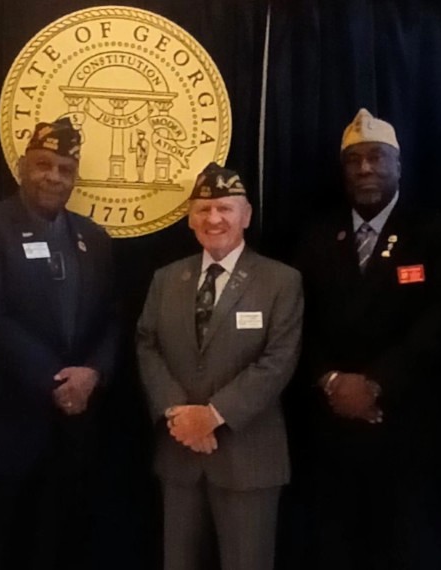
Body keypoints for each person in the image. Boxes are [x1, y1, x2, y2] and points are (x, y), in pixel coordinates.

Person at [292, 108, 441, 568]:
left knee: (405, 549)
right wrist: (333, 381)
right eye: (355, 161)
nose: (366, 169)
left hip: (408, 426)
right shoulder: (314, 237)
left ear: (398, 165)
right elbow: (297, 322)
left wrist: (375, 384)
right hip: (331, 429)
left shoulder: (437, 233)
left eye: (377, 158)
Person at [0, 117, 118, 569]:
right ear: (23, 166)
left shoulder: (94, 239)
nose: (53, 176)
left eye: (64, 168)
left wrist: (94, 373)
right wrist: (56, 380)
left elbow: (111, 319)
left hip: (71, 433)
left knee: (56, 546)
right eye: (43, 164)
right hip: (2, 427)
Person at [137, 162, 302, 570]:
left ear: (245, 216)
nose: (214, 218)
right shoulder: (165, 279)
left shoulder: (281, 281)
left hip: (248, 458)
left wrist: (212, 416)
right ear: (190, 217)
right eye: (203, 209)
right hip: (180, 456)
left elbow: (278, 361)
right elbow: (147, 344)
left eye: (225, 209)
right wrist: (177, 412)